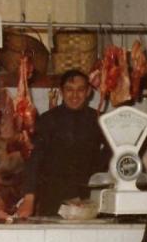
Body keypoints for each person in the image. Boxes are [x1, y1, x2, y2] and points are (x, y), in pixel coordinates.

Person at [17, 69, 110, 217]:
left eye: (80, 90)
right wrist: (29, 198)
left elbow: (112, 149)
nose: (75, 95)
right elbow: (34, 160)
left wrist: (96, 169)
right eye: (69, 90)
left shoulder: (98, 120)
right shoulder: (47, 120)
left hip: (88, 197)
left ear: (88, 92)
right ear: (61, 91)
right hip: (53, 197)